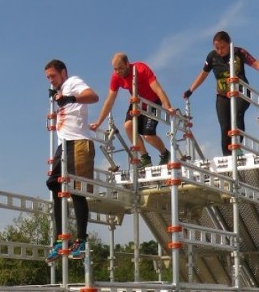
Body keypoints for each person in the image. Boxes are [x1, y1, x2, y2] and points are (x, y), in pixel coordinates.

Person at [183, 31, 259, 156]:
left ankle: (237, 146)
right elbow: (203, 75)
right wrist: (191, 90)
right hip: (222, 95)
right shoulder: (212, 57)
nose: (220, 51)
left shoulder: (239, 53)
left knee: (236, 115)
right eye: (217, 48)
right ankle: (227, 155)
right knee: (225, 125)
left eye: (222, 47)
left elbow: (255, 64)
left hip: (241, 93)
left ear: (229, 44)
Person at [45, 58, 99, 261]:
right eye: (48, 78)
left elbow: (93, 96)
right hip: (64, 144)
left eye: (53, 76)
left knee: (77, 191)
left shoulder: (73, 82)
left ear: (63, 72)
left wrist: (71, 99)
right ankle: (60, 238)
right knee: (55, 186)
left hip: (78, 142)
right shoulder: (61, 91)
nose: (51, 80)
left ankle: (82, 239)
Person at [90, 52, 176, 167]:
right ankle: (145, 158)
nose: (118, 72)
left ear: (127, 64)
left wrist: (168, 107)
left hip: (152, 102)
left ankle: (165, 154)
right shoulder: (116, 77)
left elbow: (158, 90)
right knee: (128, 126)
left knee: (148, 136)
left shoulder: (141, 69)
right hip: (138, 103)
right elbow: (109, 101)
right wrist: (98, 122)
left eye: (120, 68)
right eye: (115, 69)